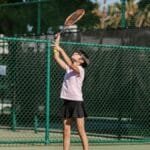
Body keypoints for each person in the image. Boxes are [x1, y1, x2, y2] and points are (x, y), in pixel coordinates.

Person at [53, 33, 89, 150]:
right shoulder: (69, 69)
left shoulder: (80, 70)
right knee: (66, 130)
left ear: (81, 60)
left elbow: (68, 62)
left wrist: (62, 50)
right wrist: (57, 41)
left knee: (80, 130)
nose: (75, 53)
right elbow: (56, 57)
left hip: (77, 103)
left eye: (78, 54)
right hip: (67, 102)